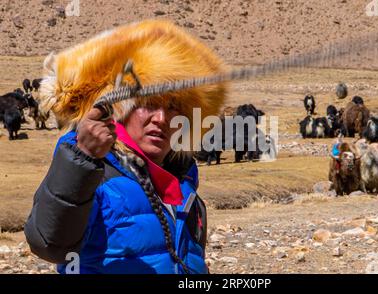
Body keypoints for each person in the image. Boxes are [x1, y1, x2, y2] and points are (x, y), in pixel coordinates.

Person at [24, 20, 227, 274]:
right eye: (150, 102)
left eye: (174, 107)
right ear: (118, 108)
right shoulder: (96, 170)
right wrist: (83, 159)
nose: (162, 119)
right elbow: (50, 244)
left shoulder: (182, 179)